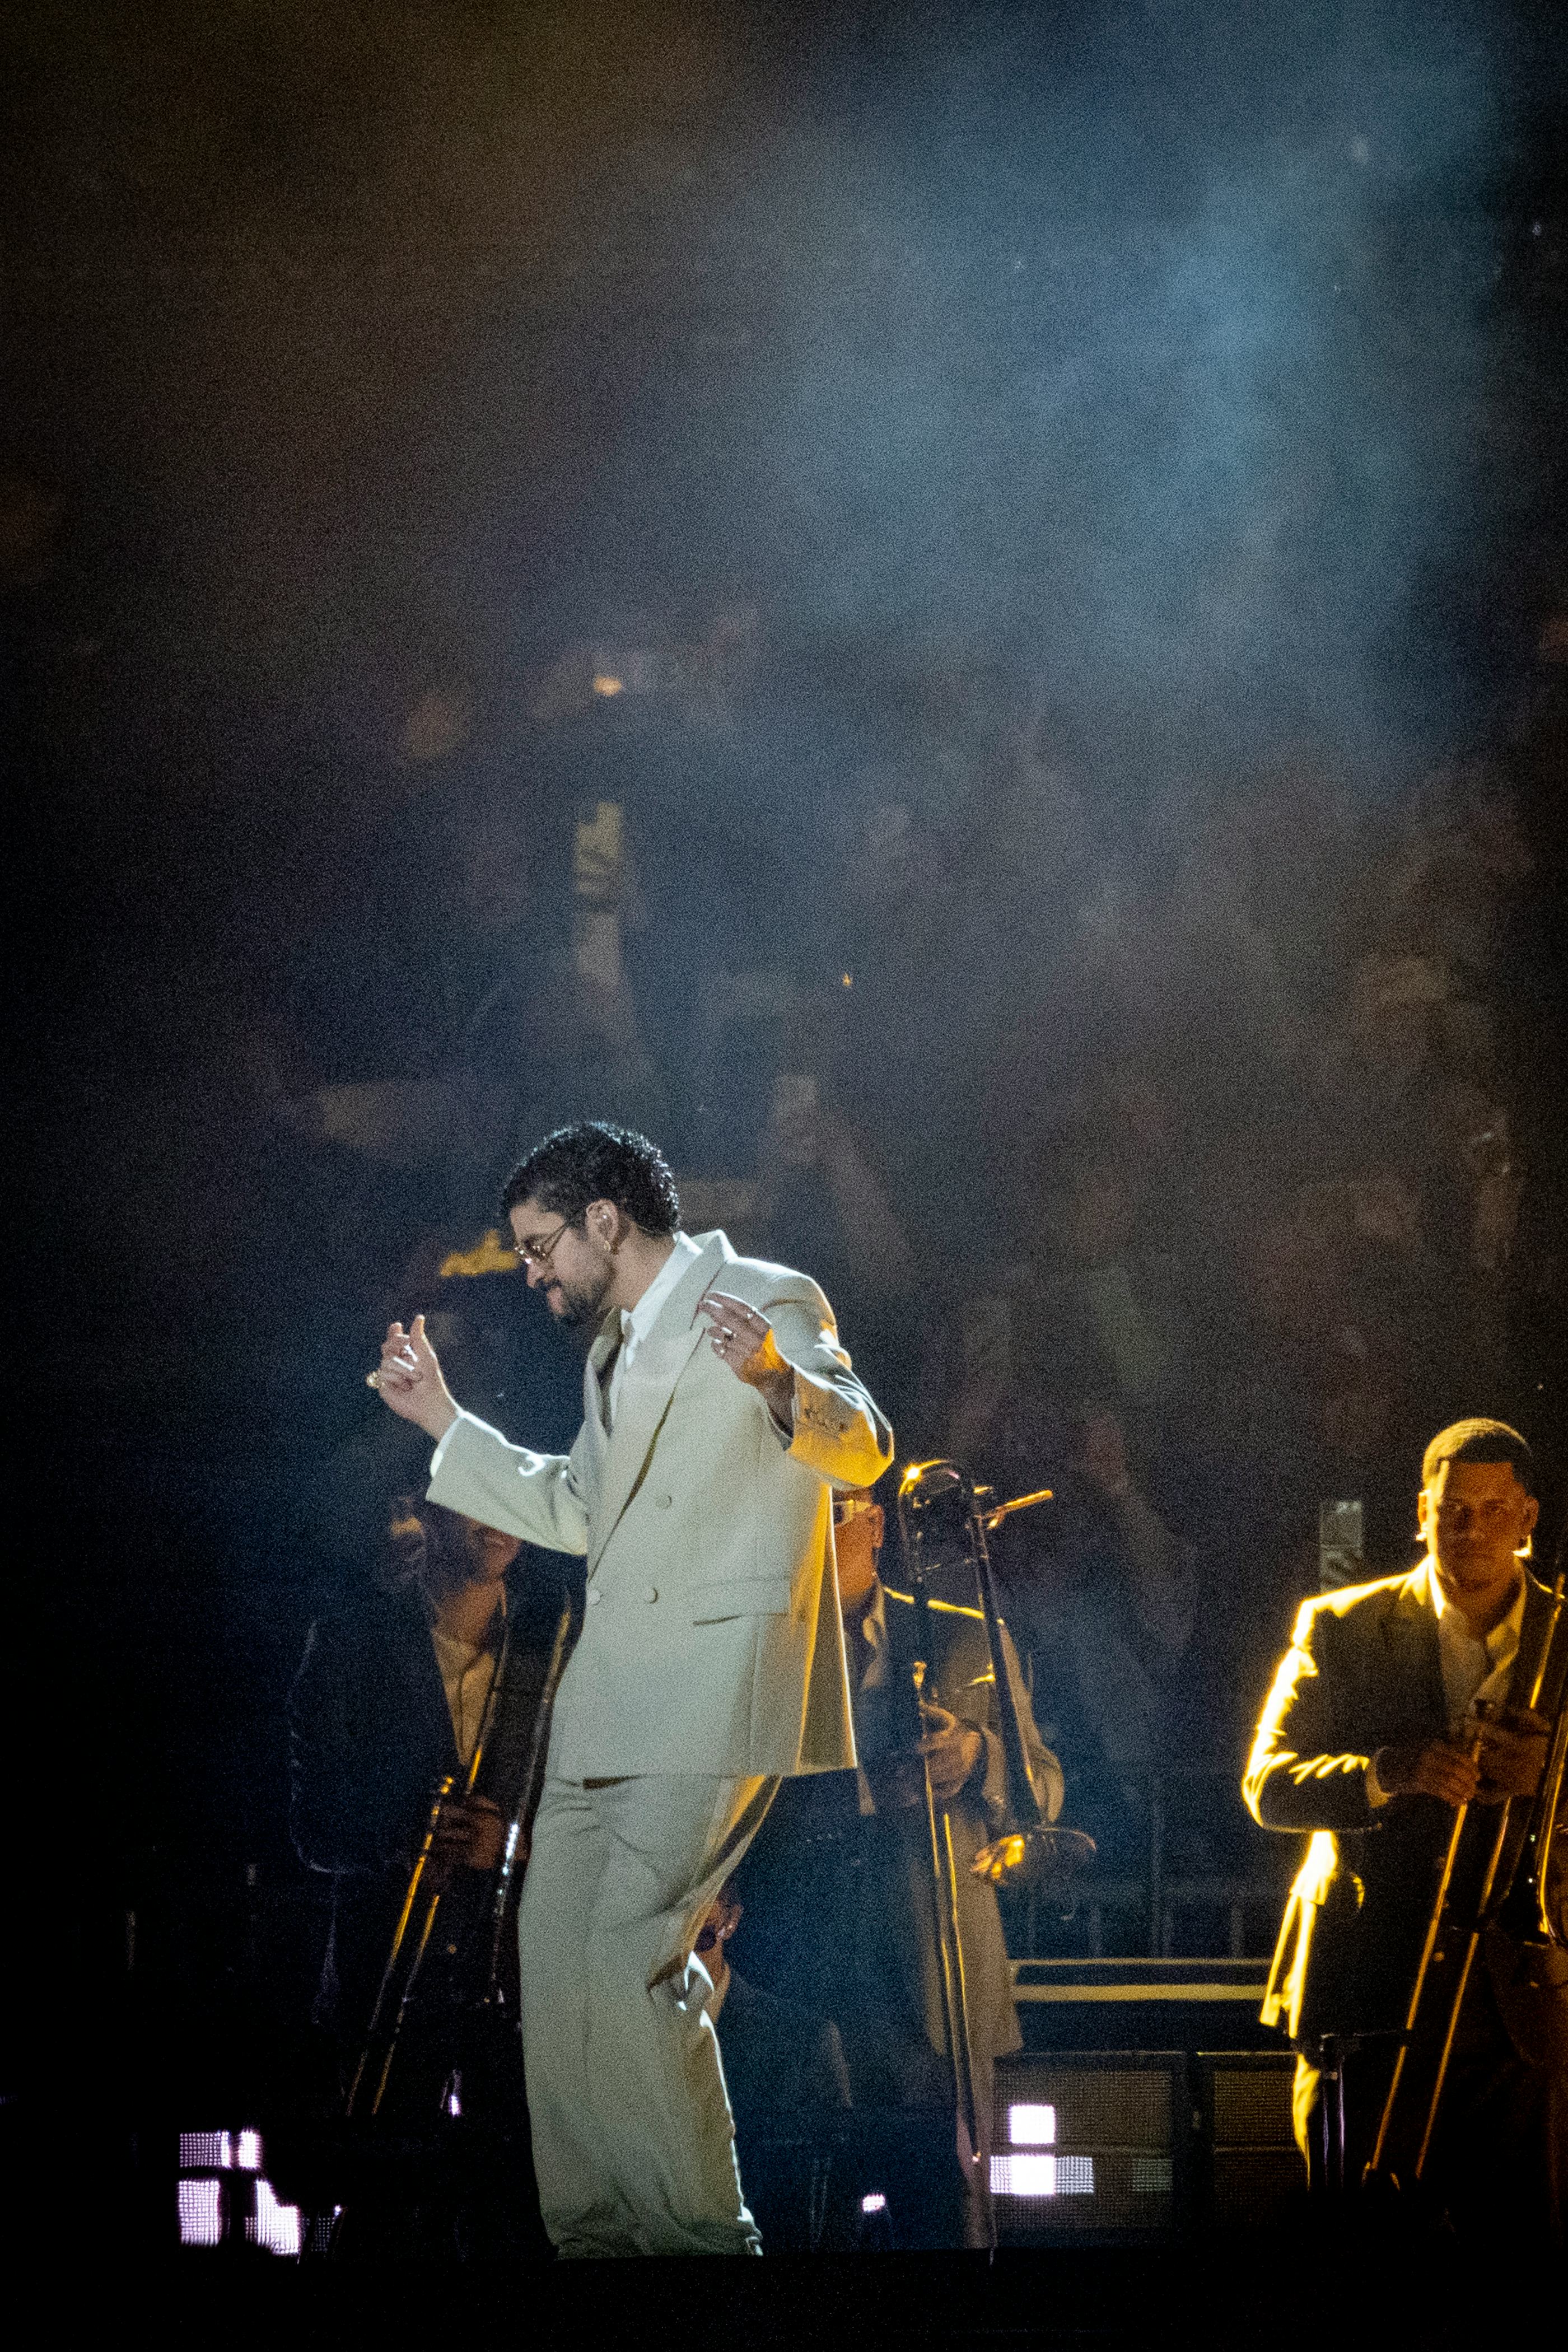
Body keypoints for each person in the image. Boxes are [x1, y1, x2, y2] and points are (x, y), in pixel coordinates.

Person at [369, 1119, 892, 2256]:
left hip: (715, 1694)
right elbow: (576, 1510)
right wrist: (444, 1425)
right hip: (605, 1706)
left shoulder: (766, 1292)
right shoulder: (607, 1351)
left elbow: (863, 1447)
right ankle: (598, 2240)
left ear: (604, 1220)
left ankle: (707, 2244)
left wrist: (769, 1375)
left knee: (628, 1955)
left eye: (538, 1244)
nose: (530, 1270)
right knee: (555, 1968)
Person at [1243, 1416, 1567, 2237]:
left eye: (1495, 1510)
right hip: (1368, 1987)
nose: (1471, 1529)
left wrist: (1553, 1783)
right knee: (1358, 2256)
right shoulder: (1339, 1625)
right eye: (1454, 1509)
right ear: (1421, 1511)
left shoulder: (1566, 1639)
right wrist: (1391, 1772)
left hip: (1522, 2007)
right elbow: (1268, 1786)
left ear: (1529, 1519)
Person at [739, 1483, 1062, 2244]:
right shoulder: (759, 1643)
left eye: (839, 1509)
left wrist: (978, 1754)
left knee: (946, 2220)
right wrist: (867, 1793)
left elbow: (1044, 1790)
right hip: (802, 1987)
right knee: (800, 2223)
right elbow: (734, 1809)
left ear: (879, 1525)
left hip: (935, 1987)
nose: (819, 1527)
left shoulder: (966, 1637)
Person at [285, 1494, 571, 2258]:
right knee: (378, 2223)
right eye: (474, 1489)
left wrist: (513, 1846)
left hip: (523, 1988)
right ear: (423, 1508)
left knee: (524, 2221)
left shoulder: (563, 1645)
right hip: (388, 1982)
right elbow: (312, 1830)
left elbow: (613, 1819)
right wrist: (404, 1838)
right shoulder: (348, 1642)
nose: (497, 1510)